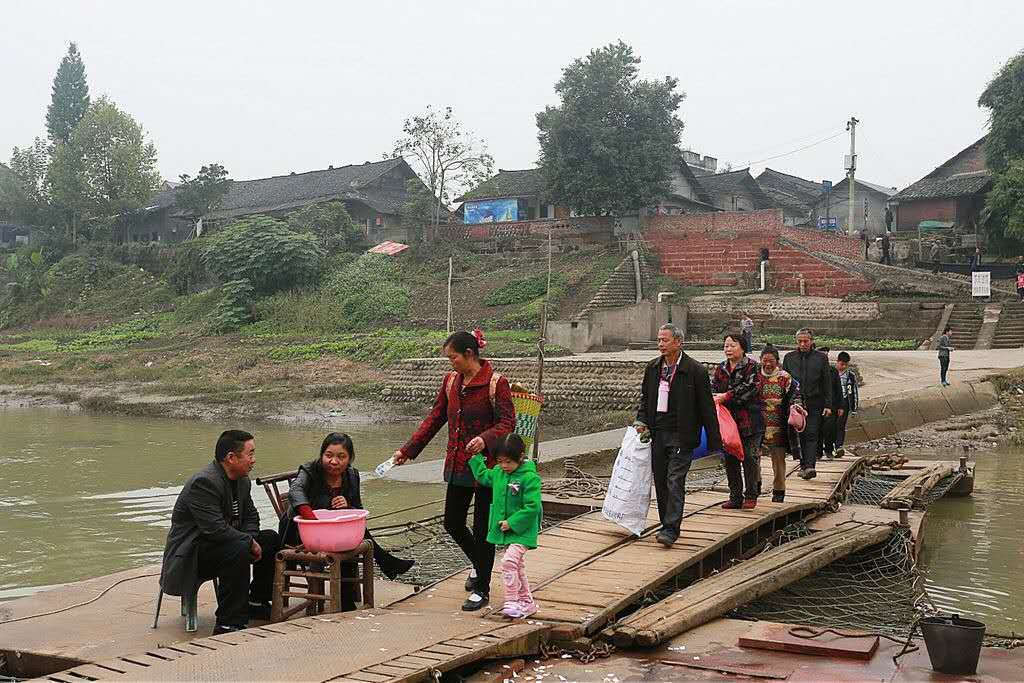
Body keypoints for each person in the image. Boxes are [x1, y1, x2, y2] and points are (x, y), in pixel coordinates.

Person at [392, 329, 515, 611]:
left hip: (487, 468)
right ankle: (480, 566)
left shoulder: (496, 383)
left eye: (453, 357)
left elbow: (508, 423)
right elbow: (435, 418)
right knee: (453, 523)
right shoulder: (451, 383)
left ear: (469, 354)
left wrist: (484, 439)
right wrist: (407, 451)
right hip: (459, 464)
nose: (451, 363)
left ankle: (481, 588)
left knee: (483, 528)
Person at [160, 430, 281, 635]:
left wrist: (250, 538)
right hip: (193, 554)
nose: (254, 460)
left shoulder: (242, 481)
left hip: (226, 543)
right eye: (250, 454)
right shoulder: (204, 483)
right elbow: (214, 529)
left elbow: (252, 516)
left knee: (270, 539)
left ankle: (256, 600)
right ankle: (228, 622)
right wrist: (248, 542)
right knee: (238, 547)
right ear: (231, 458)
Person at [279, 433, 414, 601]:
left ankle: (347, 601)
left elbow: (357, 510)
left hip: (335, 532)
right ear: (322, 455)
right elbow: (295, 491)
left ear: (349, 459)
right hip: (305, 532)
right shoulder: (309, 470)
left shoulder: (351, 475)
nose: (334, 461)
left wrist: (347, 505)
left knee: (349, 540)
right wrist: (314, 519)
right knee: (349, 542)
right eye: (328, 455)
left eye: (341, 457)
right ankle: (386, 565)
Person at [635, 324, 722, 548]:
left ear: (678, 342)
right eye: (659, 340)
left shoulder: (695, 370)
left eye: (665, 340)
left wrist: (714, 440)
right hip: (658, 433)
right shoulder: (653, 368)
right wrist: (641, 421)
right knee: (662, 480)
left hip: (683, 435)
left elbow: (706, 407)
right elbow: (645, 399)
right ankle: (666, 523)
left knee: (675, 480)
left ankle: (671, 528)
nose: (661, 344)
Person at [468, 433, 541, 619]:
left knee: (508, 562)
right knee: (517, 566)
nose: (504, 466)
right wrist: (475, 458)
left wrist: (512, 522)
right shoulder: (499, 473)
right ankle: (527, 602)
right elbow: (483, 476)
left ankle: (511, 601)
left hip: (523, 531)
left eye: (508, 462)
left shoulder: (529, 478)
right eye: (500, 461)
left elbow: (533, 506)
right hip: (507, 529)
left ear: (521, 457)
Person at [712, 332, 764, 509]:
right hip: (727, 422)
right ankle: (735, 497)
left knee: (749, 458)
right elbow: (714, 388)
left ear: (743, 348)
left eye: (732, 345)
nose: (728, 349)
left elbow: (752, 388)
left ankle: (751, 495)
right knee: (730, 459)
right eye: (726, 345)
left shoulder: (753, 367)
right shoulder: (721, 368)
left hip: (749, 420)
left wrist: (727, 396)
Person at [782, 329, 833, 480]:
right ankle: (803, 465)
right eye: (800, 341)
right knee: (800, 435)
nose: (803, 344)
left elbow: (826, 383)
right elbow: (784, 382)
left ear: (812, 341)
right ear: (796, 341)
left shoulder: (821, 358)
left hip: (814, 402)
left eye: (806, 341)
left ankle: (810, 466)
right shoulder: (789, 358)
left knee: (812, 434)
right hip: (795, 404)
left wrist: (828, 405)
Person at [756, 345, 802, 503]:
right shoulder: (755, 376)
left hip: (779, 424)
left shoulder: (785, 377)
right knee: (754, 456)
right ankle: (755, 485)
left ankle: (779, 490)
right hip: (757, 424)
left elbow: (796, 394)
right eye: (765, 361)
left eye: (771, 361)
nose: (768, 364)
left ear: (777, 361)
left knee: (778, 459)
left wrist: (796, 406)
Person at [817, 347, 842, 460]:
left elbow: (838, 390)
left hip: (831, 405)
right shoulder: (814, 371)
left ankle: (829, 451)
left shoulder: (833, 371)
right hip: (817, 405)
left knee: (830, 429)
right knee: (817, 429)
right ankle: (817, 453)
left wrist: (840, 406)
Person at [833, 352, 859, 458]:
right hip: (832, 402)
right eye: (841, 364)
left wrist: (854, 409)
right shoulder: (831, 372)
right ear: (837, 362)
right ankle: (829, 445)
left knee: (841, 425)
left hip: (844, 402)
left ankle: (839, 445)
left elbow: (854, 391)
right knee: (830, 424)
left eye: (845, 364)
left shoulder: (850, 376)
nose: (843, 366)